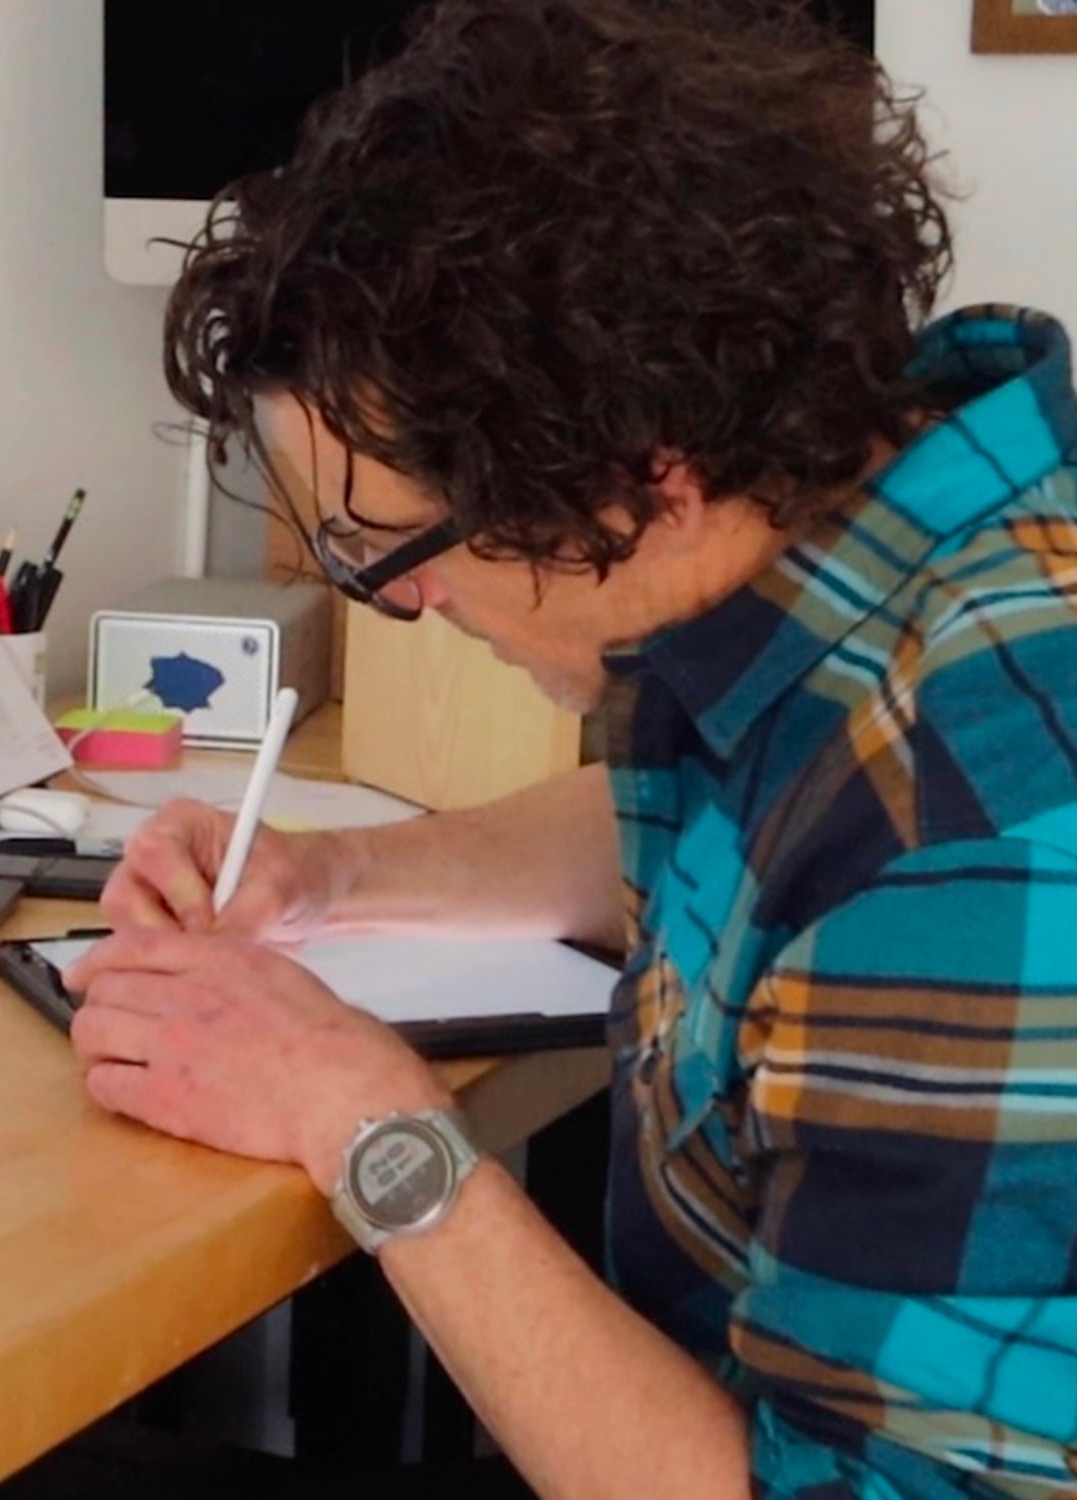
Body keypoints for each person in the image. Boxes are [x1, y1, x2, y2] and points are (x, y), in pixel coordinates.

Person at [67, 1, 1077, 1495]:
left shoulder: (972, 838)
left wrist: (360, 1117)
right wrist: (328, 877)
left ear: (642, 475)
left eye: (395, 543)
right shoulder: (886, 557)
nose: (397, 600)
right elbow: (735, 835)